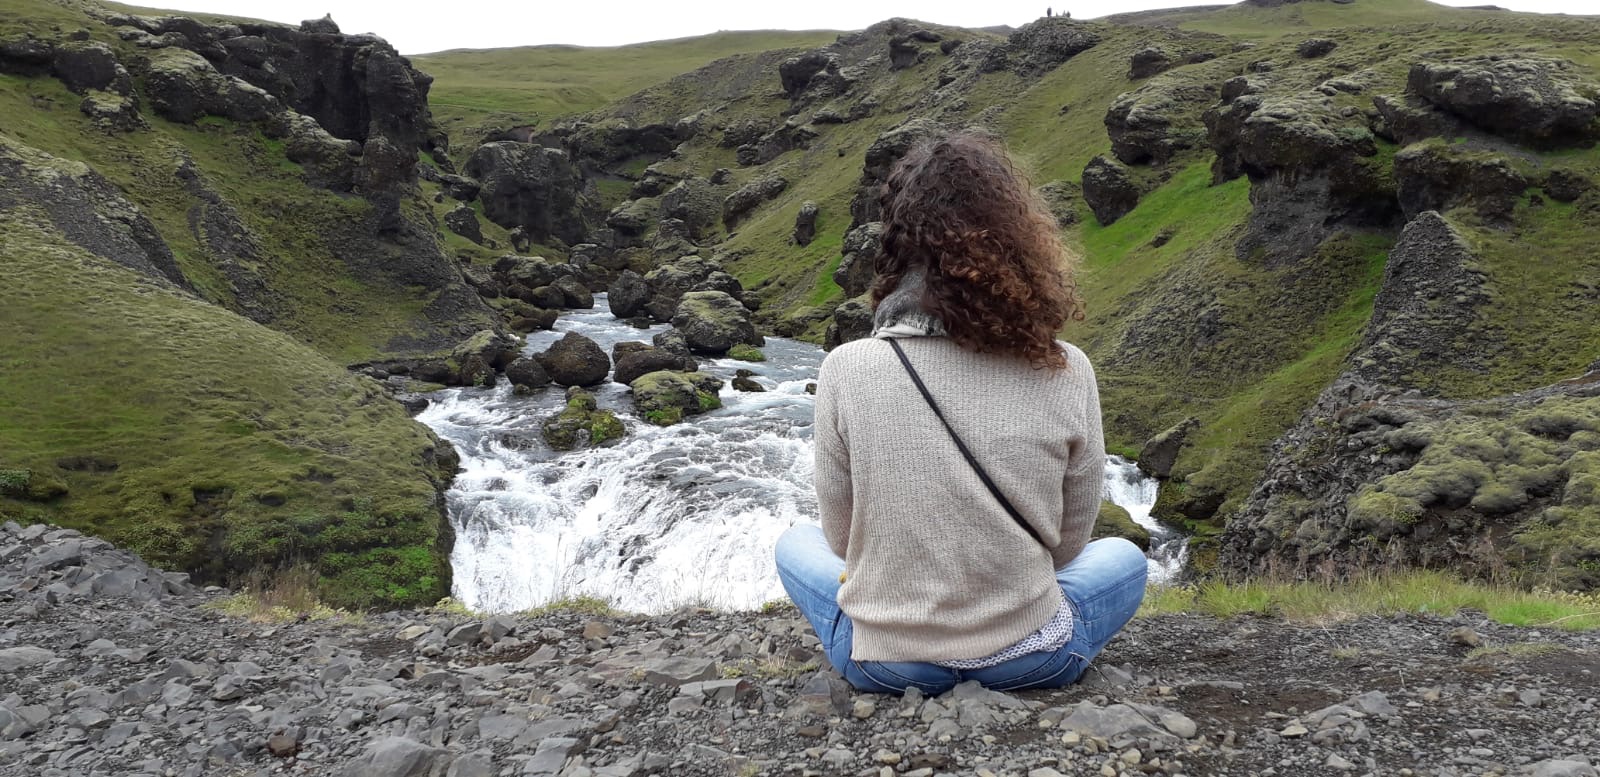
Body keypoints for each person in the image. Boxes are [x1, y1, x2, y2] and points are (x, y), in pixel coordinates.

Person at [774, 131, 1147, 694]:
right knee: (1121, 555)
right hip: (1030, 659)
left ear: (896, 249)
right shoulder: (1066, 367)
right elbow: (1069, 546)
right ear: (1022, 247)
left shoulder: (846, 367)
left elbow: (840, 536)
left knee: (795, 543)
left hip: (886, 665)